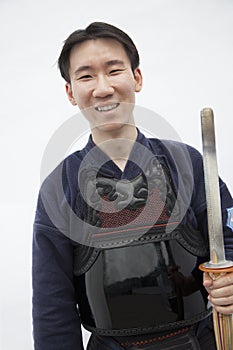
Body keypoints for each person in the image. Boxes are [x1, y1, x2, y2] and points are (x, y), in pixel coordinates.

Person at [32, 22, 233, 350]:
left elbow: (228, 243)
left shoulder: (189, 164)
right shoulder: (60, 187)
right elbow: (51, 306)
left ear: (136, 77)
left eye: (114, 70)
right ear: (71, 92)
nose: (103, 88)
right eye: (85, 76)